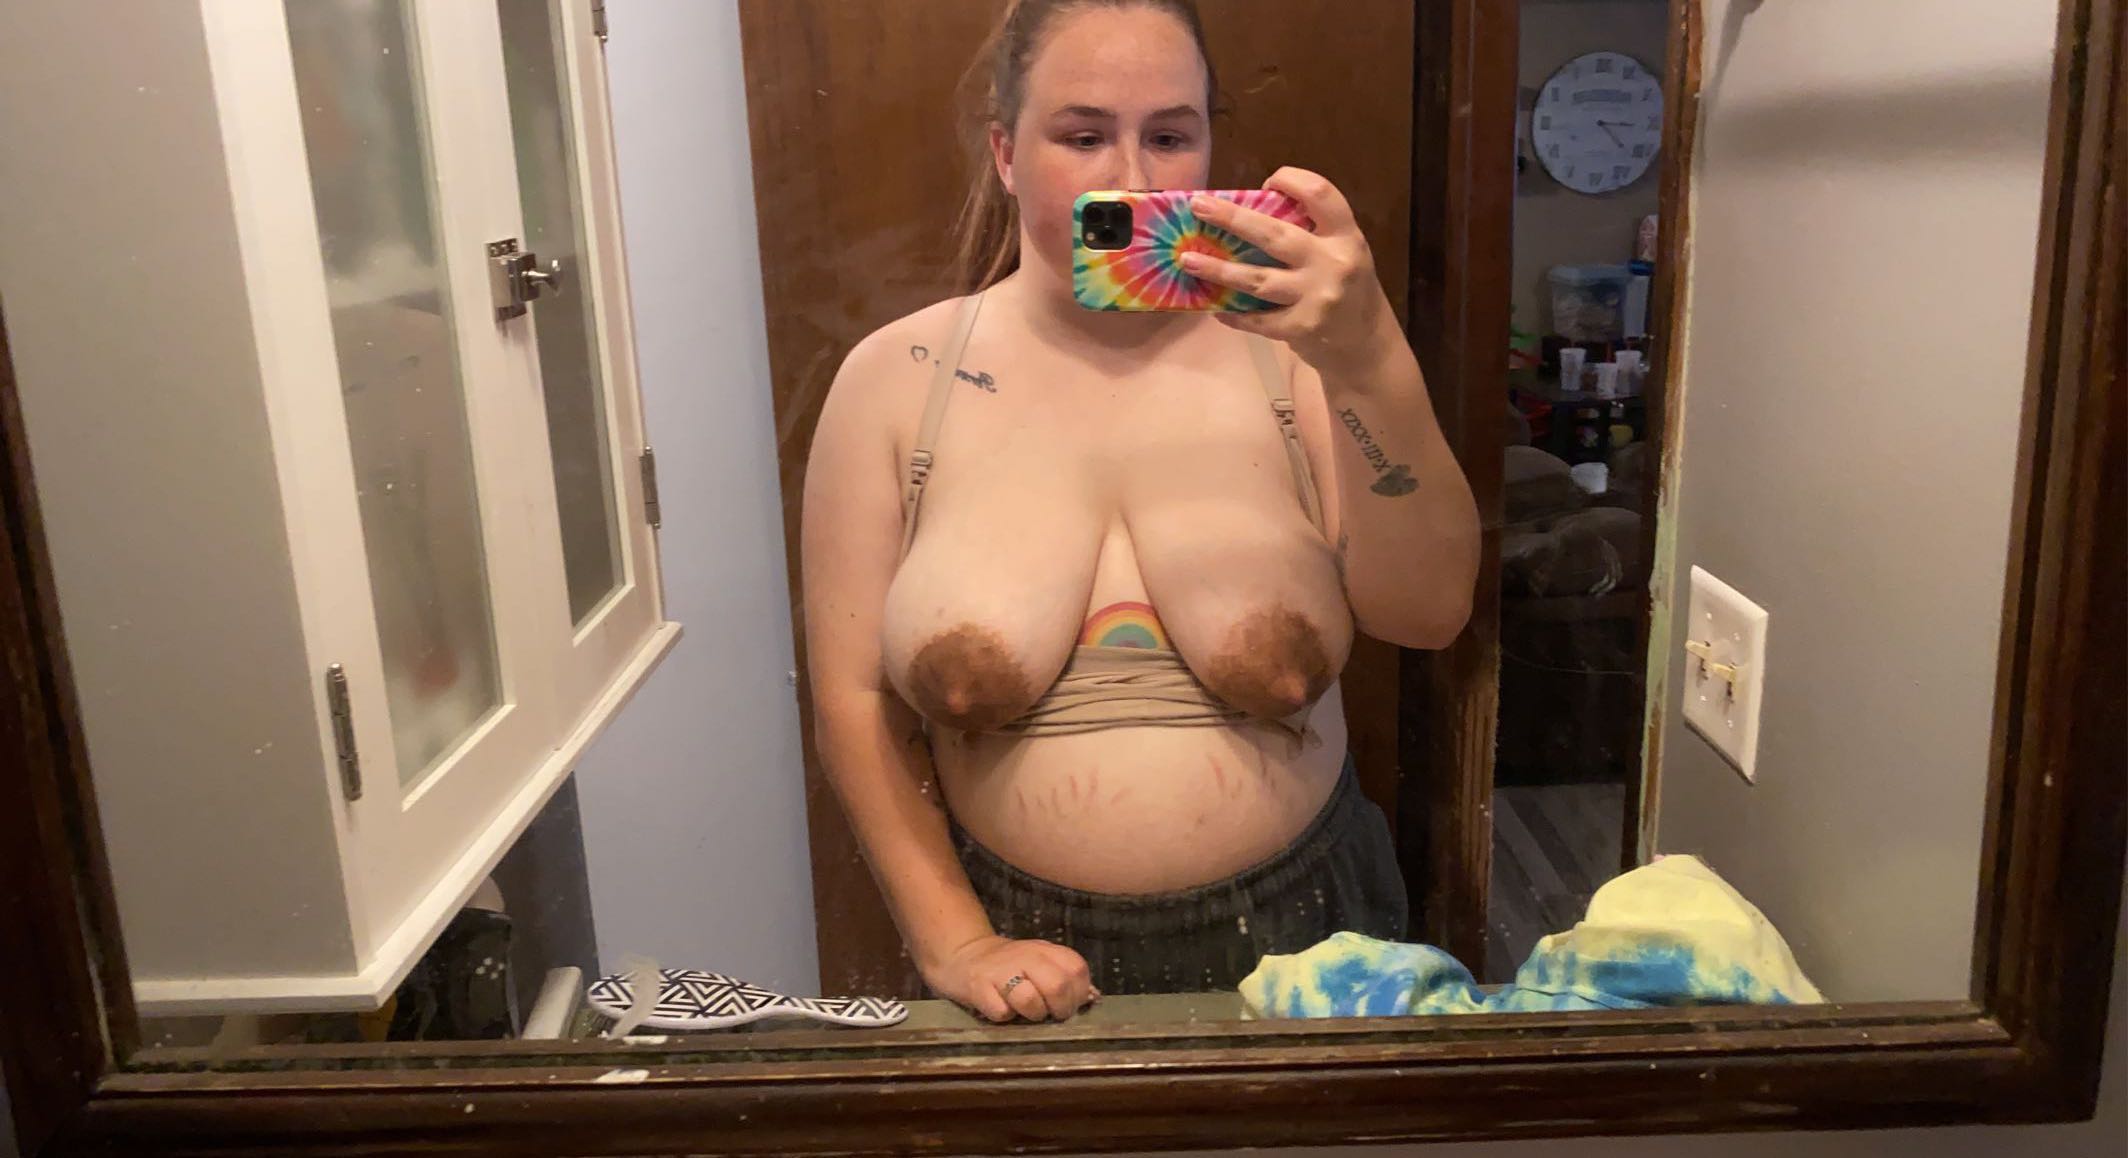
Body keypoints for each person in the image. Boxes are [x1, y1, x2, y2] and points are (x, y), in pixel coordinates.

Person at [800, 0, 1478, 1023]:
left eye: (1169, 135)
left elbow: (1427, 613)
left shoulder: (1302, 360)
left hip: (1315, 937)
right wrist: (957, 941)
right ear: (1005, 154)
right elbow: (855, 701)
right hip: (1010, 953)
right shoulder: (898, 380)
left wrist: (1369, 358)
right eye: (1082, 137)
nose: (1133, 178)